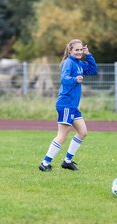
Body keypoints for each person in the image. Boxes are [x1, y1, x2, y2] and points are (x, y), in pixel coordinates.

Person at [38, 39, 98, 172]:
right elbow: (64, 79)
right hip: (65, 105)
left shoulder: (80, 64)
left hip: (73, 106)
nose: (79, 52)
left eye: (81, 49)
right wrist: (74, 80)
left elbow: (93, 70)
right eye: (76, 50)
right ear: (70, 50)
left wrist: (88, 55)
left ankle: (67, 161)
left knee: (82, 132)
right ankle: (45, 163)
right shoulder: (68, 63)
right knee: (63, 135)